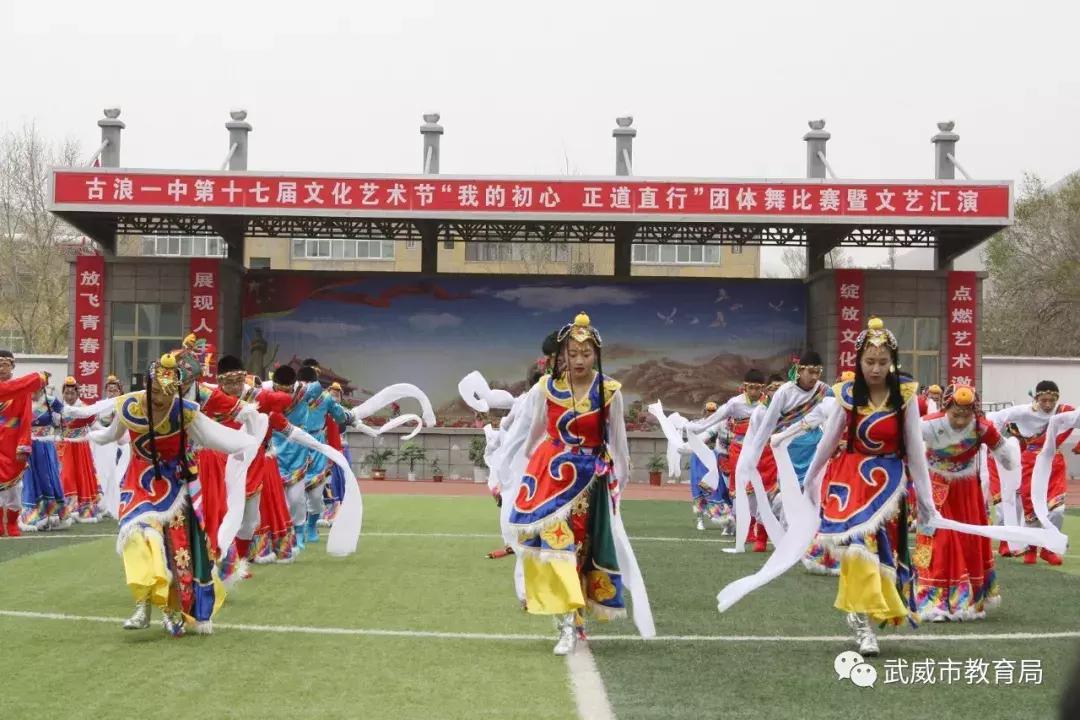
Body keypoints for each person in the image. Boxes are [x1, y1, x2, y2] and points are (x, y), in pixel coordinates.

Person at [507, 312, 653, 655]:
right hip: (550, 478)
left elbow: (619, 444)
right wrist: (526, 467)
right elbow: (536, 432)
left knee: (580, 553)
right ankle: (567, 624)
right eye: (572, 354)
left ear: (596, 355)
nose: (578, 360)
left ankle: (574, 620)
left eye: (585, 354)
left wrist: (620, 486)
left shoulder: (609, 392)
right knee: (555, 549)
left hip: (589, 481)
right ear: (561, 356)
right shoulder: (548, 388)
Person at [85, 353, 259, 636]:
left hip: (175, 486)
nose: (158, 399)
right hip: (138, 485)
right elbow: (109, 435)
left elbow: (219, 438)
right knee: (137, 538)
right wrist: (90, 434)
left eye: (165, 394)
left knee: (175, 548)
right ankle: (142, 603)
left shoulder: (187, 412)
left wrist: (250, 441)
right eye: (154, 391)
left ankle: (169, 609)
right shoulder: (129, 406)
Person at [915, 384, 1014, 621]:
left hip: (966, 491)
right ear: (946, 408)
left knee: (968, 540)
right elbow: (907, 443)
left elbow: (1002, 449)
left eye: (966, 415)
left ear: (974, 412)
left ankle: (967, 599)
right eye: (955, 415)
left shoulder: (981, 427)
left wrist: (1010, 463)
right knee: (940, 540)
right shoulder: (928, 424)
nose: (960, 421)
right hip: (936, 487)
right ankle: (935, 602)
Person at [686, 369, 771, 552]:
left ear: (762, 388)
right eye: (750, 388)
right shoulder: (735, 404)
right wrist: (694, 430)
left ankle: (762, 534)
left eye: (757, 388)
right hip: (739, 450)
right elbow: (713, 421)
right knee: (743, 491)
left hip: (764, 450)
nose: (754, 392)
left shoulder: (769, 402)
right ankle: (747, 531)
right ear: (744, 387)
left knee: (763, 491)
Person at [991, 381, 1075, 565]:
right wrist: (994, 442)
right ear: (1036, 398)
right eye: (1044, 400)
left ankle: (1048, 549)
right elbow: (996, 418)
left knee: (1057, 510)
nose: (1048, 404)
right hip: (1030, 462)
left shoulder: (1063, 410)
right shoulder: (1024, 411)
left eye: (1051, 400)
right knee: (1031, 508)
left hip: (1054, 462)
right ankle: (1030, 549)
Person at [0, 351, 50, 536]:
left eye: (6, 364)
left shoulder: (21, 391)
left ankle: (12, 523)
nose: (2, 368)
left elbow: (25, 419)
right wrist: (39, 378)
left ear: (12, 367)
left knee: (14, 488)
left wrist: (23, 445)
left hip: (12, 443)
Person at [19, 386, 69, 531]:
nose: (33, 392)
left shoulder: (51, 401)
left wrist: (58, 421)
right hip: (28, 445)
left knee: (48, 477)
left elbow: (67, 416)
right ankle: (33, 516)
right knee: (29, 479)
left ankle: (53, 514)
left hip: (45, 445)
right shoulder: (23, 401)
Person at [57, 376, 104, 523]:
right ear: (63, 393)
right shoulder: (58, 408)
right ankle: (67, 508)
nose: (69, 396)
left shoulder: (84, 409)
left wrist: (109, 432)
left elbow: (96, 426)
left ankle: (84, 509)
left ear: (78, 394)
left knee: (82, 476)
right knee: (65, 476)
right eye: (67, 393)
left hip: (80, 447)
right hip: (63, 447)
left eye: (72, 393)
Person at [688, 401, 731, 532]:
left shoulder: (722, 423)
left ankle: (725, 521)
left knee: (721, 488)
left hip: (716, 458)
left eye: (713, 412)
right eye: (708, 412)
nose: (711, 414)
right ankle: (700, 519)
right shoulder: (699, 424)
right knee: (699, 487)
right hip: (700, 459)